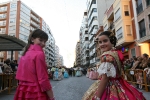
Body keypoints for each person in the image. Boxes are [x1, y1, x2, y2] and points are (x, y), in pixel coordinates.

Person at [82, 31, 145, 100]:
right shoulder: (115, 53)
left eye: (105, 41)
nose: (102, 44)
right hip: (120, 84)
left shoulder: (106, 57)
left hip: (109, 87)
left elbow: (105, 78)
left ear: (111, 41)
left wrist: (98, 97)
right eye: (100, 42)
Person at [14, 29, 54, 100]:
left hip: (22, 90)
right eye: (40, 40)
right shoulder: (39, 54)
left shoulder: (24, 54)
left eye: (45, 41)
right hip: (36, 91)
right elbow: (43, 79)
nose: (43, 43)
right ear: (32, 39)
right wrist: (52, 97)